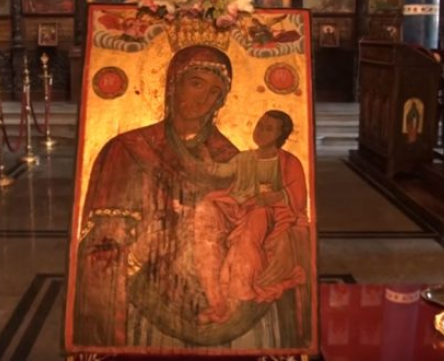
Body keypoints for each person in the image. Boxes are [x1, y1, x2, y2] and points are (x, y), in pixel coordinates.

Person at [73, 45, 240, 346]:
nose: (203, 98)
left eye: (215, 92)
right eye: (196, 83)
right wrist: (136, 253)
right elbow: (97, 246)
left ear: (221, 102)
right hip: (139, 301)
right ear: (173, 83)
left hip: (212, 301)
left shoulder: (231, 161)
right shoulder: (127, 150)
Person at [177, 110, 309, 324]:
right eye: (260, 125)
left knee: (251, 230)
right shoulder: (244, 158)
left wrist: (276, 196)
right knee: (205, 209)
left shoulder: (288, 162)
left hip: (269, 212)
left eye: (268, 129)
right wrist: (204, 159)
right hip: (238, 206)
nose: (261, 131)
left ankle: (238, 293)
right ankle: (216, 301)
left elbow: (298, 195)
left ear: (280, 135)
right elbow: (220, 171)